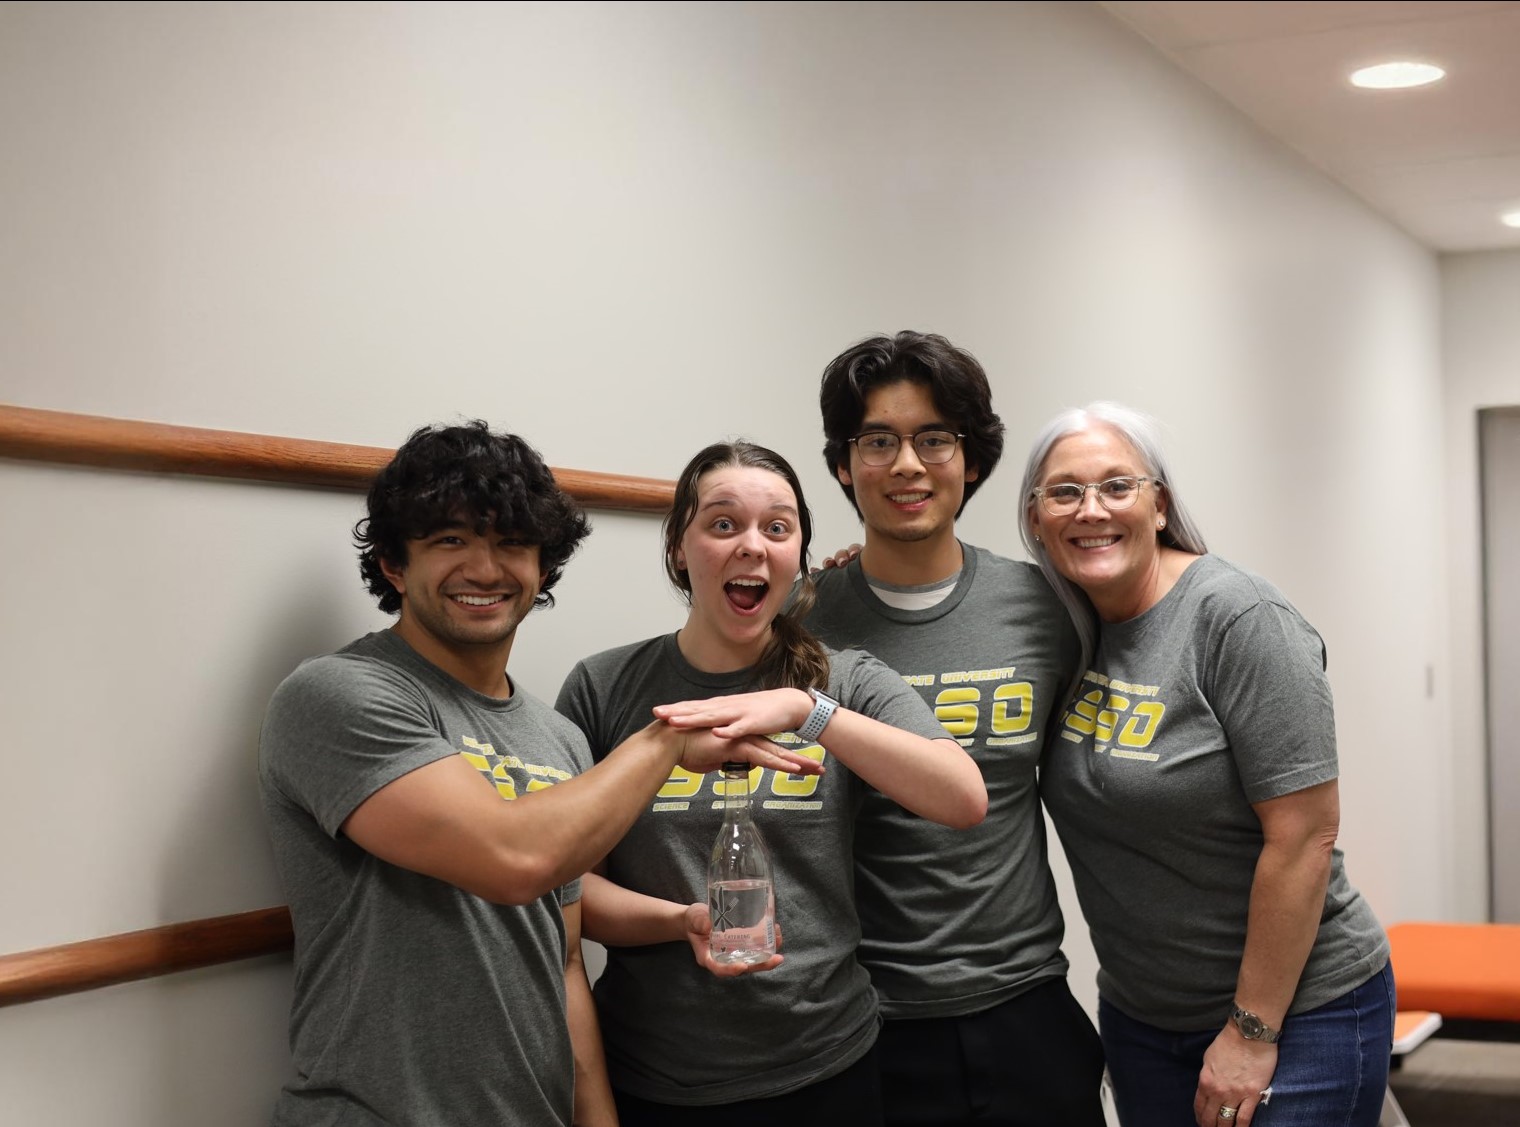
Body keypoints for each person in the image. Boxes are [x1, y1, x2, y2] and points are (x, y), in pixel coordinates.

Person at [258, 422, 823, 1127]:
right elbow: (513, 857)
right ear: (395, 565)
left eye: (511, 543)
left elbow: (564, 961)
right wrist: (669, 739)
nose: (484, 568)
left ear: (543, 566)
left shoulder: (557, 739)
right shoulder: (339, 694)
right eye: (450, 540)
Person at [554, 439, 987, 1127]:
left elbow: (962, 797)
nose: (752, 545)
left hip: (828, 1064)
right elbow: (570, 890)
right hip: (658, 1076)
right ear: (678, 548)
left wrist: (805, 710)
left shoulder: (846, 680)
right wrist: (682, 921)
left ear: (799, 556)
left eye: (777, 528)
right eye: (723, 523)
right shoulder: (603, 687)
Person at [1018, 402, 1392, 1127]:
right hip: (1142, 1020)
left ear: (1159, 504)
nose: (1091, 509)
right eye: (1064, 492)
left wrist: (1252, 1031)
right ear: (1036, 517)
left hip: (1297, 1014)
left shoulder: (1238, 617)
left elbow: (1305, 836)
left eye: (1117, 485)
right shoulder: (1061, 624)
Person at [804, 330, 1107, 1127]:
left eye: (934, 438)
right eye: (878, 441)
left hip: (1027, 1004)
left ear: (971, 460)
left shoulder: (1048, 607)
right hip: (864, 1021)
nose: (907, 464)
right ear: (843, 464)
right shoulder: (798, 623)